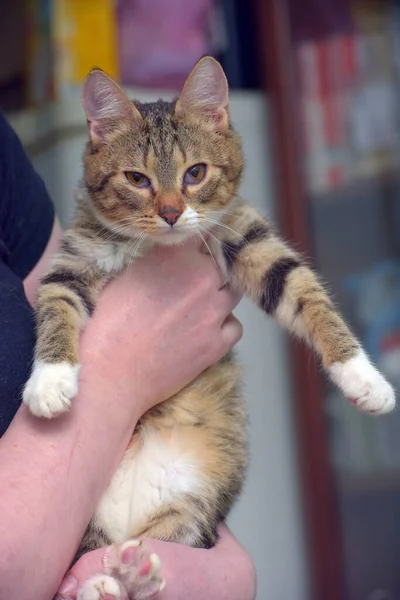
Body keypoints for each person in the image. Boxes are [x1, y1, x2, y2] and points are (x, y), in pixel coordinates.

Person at [0, 110, 256, 600]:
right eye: (138, 178)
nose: (167, 202)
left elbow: (69, 301)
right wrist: (119, 374)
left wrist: (226, 572)